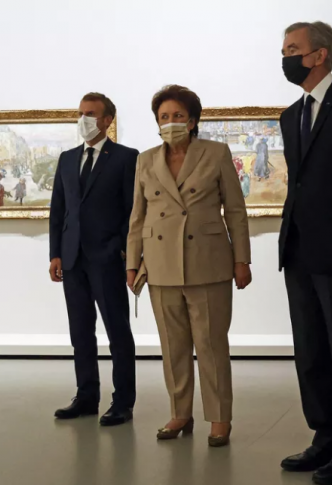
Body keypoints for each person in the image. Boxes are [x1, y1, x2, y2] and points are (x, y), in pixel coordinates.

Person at [126, 85, 252, 447]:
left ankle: (219, 417)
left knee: (212, 345)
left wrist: (241, 259)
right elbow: (137, 217)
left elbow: (237, 211)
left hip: (208, 262)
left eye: (177, 116)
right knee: (173, 345)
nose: (170, 123)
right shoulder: (146, 160)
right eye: (163, 117)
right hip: (161, 264)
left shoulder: (216, 153)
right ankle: (180, 412)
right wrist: (133, 263)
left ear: (193, 120)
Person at [49, 93, 138, 426]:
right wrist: (55, 253)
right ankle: (86, 396)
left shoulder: (127, 158)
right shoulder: (67, 159)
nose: (84, 119)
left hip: (108, 258)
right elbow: (59, 210)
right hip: (72, 259)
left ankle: (123, 402)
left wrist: (126, 253)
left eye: (91, 114)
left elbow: (132, 210)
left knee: (118, 333)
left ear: (107, 120)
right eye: (81, 113)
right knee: (80, 333)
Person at [277, 22, 332, 484]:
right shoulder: (290, 114)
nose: (285, 58)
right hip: (298, 249)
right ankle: (324, 439)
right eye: (283, 50)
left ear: (320, 55)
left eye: (293, 49)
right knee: (310, 351)